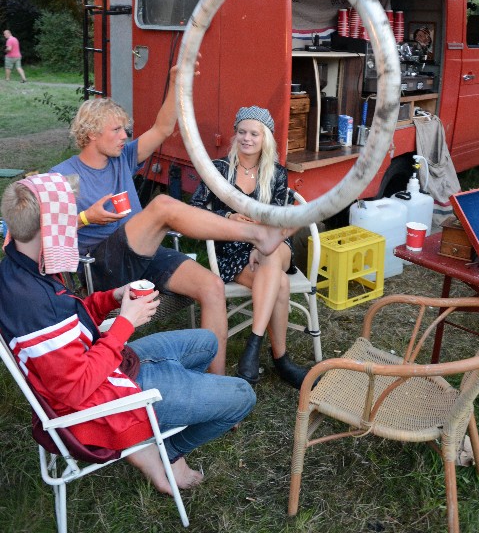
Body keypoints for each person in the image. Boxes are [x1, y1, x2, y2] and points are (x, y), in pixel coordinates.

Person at [0, 173, 257, 494]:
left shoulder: (20, 267)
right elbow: (77, 389)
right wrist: (126, 322)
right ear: (50, 227)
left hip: (104, 366)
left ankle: (172, 397)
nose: (72, 225)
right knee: (243, 397)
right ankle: (169, 449)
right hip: (101, 403)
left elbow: (71, 319)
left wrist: (112, 297)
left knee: (206, 343)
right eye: (69, 216)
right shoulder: (37, 305)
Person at [52, 67, 295, 375]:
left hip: (144, 252)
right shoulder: (62, 177)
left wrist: (178, 82)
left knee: (212, 286)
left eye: (125, 129)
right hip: (102, 264)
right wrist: (87, 217)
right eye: (117, 130)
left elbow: (164, 127)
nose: (126, 136)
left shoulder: (122, 157)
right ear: (91, 134)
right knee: (164, 206)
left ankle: (217, 387)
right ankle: (258, 235)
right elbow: (36, 231)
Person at [190, 106, 309, 390]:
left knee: (269, 252)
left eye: (254, 133)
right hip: (233, 250)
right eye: (242, 132)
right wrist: (226, 217)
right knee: (278, 282)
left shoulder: (277, 173)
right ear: (235, 135)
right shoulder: (218, 170)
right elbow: (194, 209)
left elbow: (281, 219)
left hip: (275, 244)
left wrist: (262, 241)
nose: (247, 138)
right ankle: (281, 359)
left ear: (265, 137)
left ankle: (252, 345)